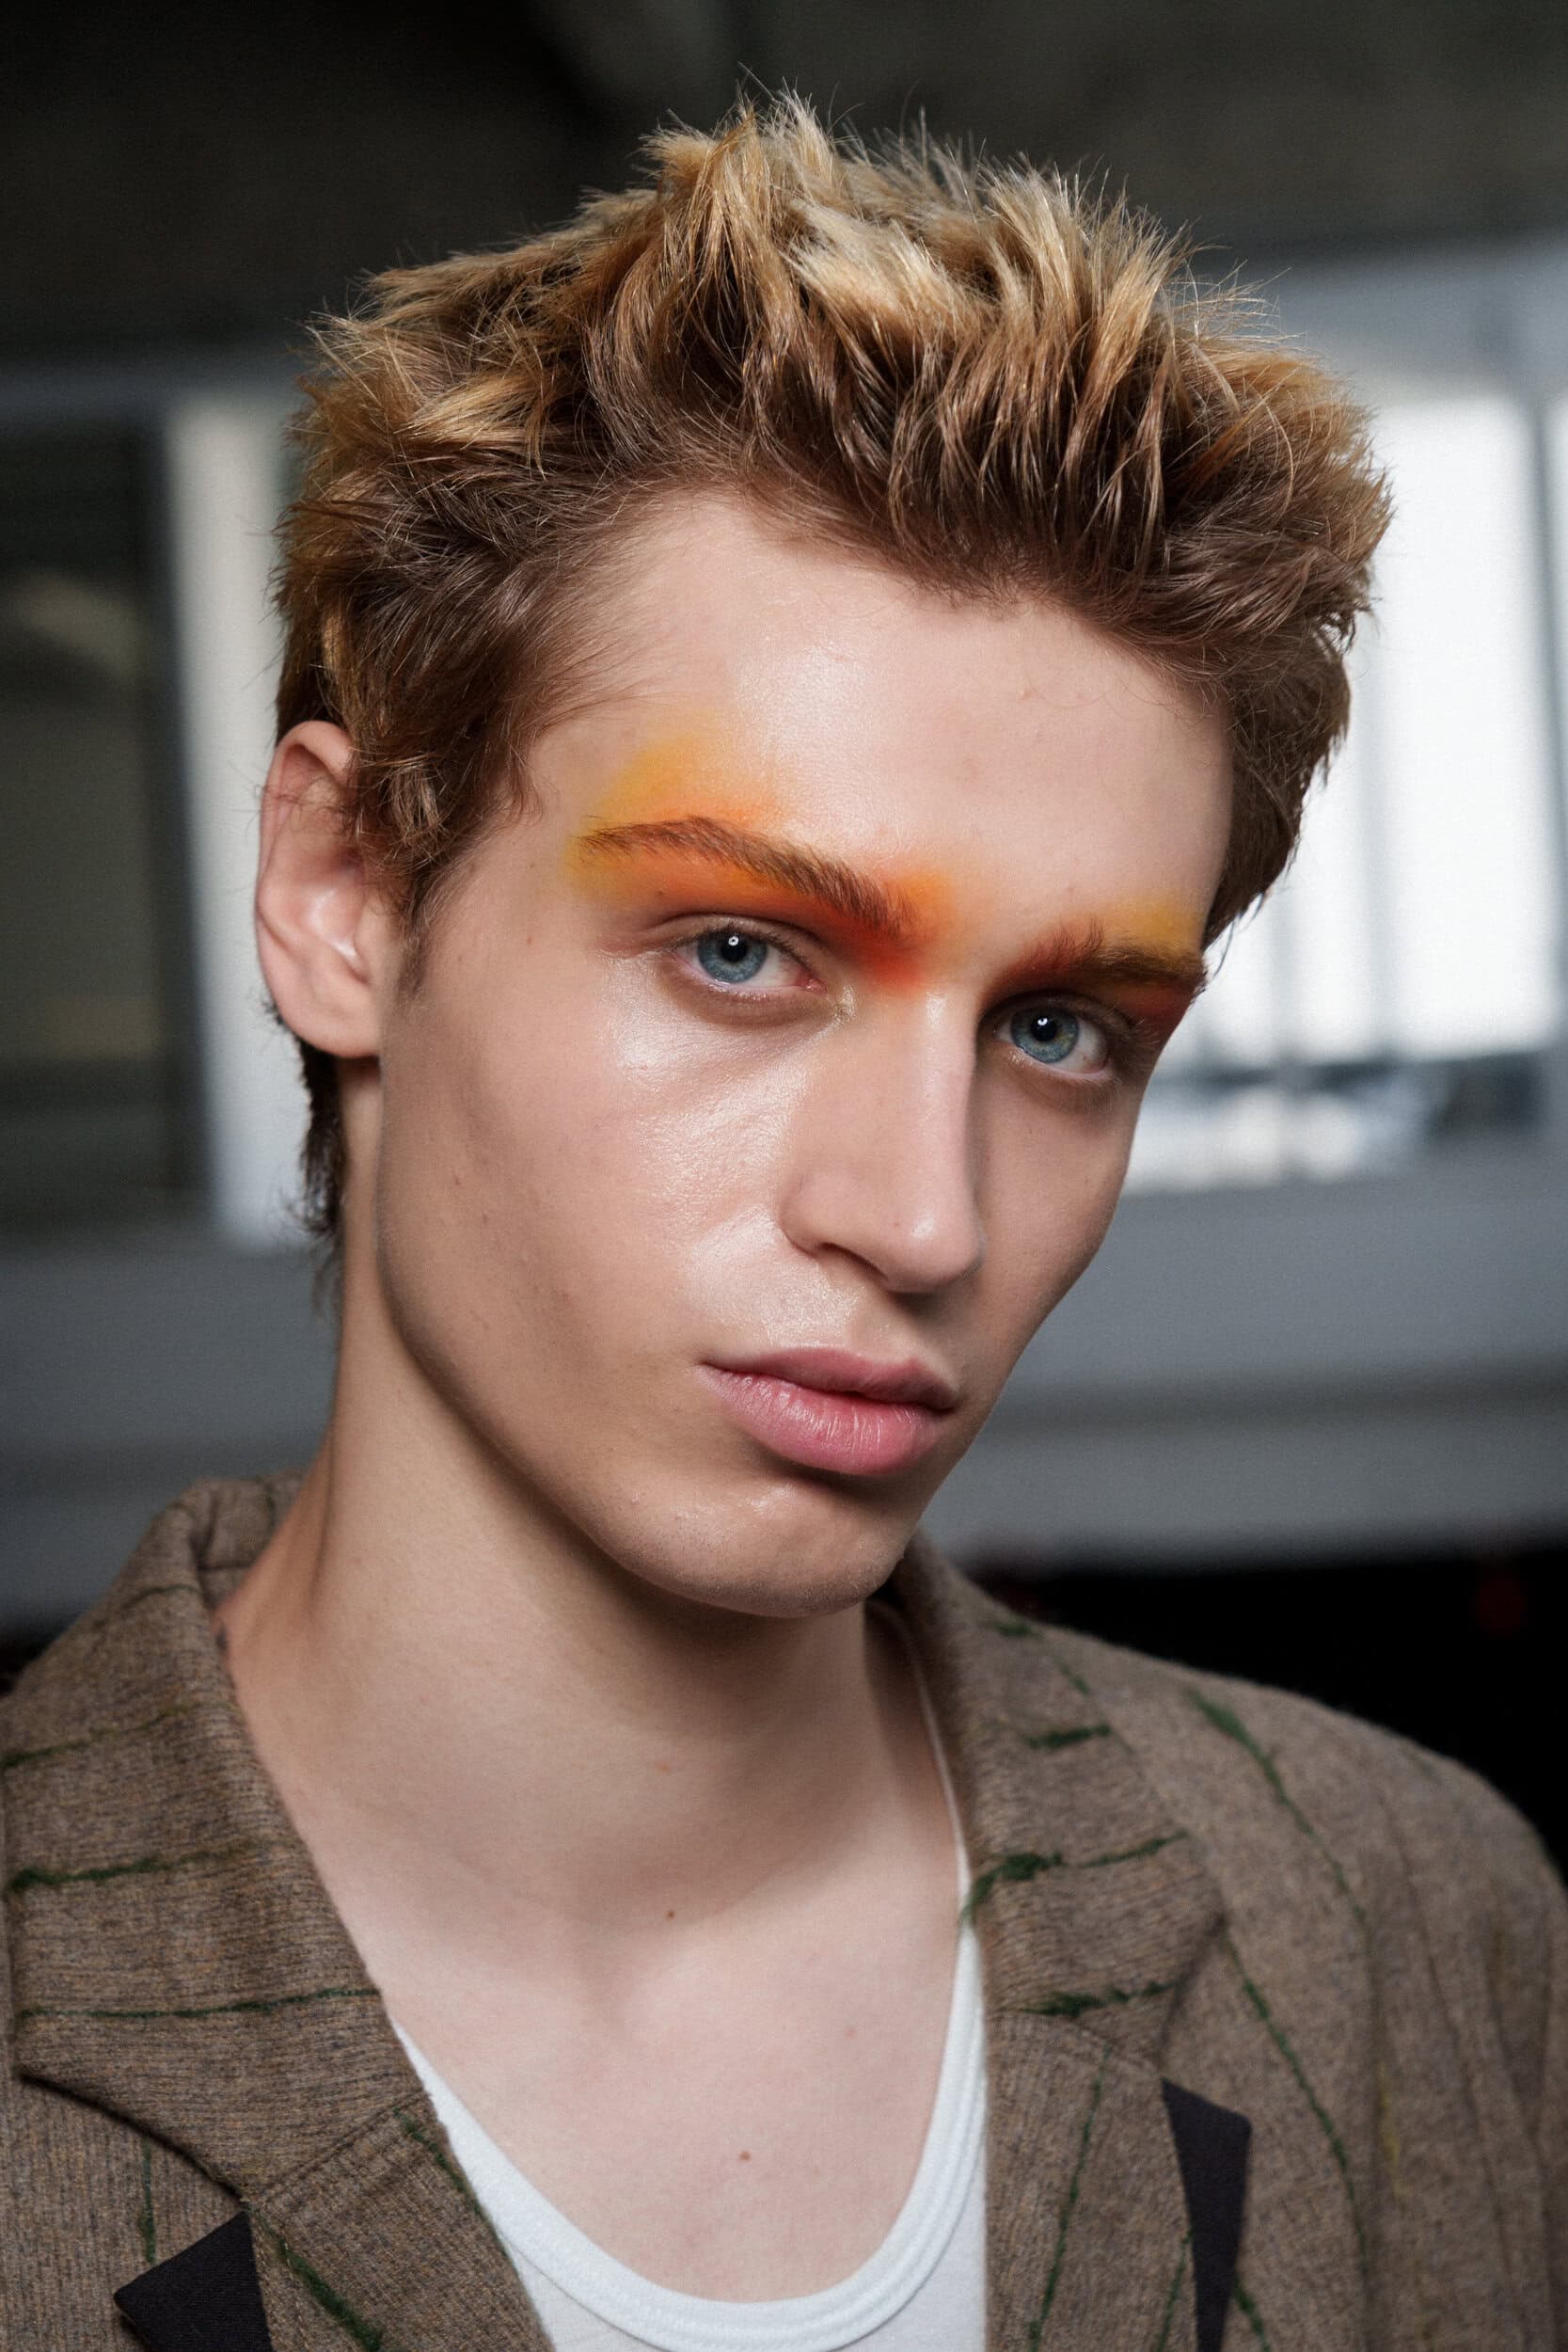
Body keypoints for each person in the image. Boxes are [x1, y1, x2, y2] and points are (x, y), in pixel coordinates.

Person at [2, 100, 1562, 2352]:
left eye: (1060, 1027)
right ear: (343, 894)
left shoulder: (1414, 1929)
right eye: (741, 951)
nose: (923, 1214)